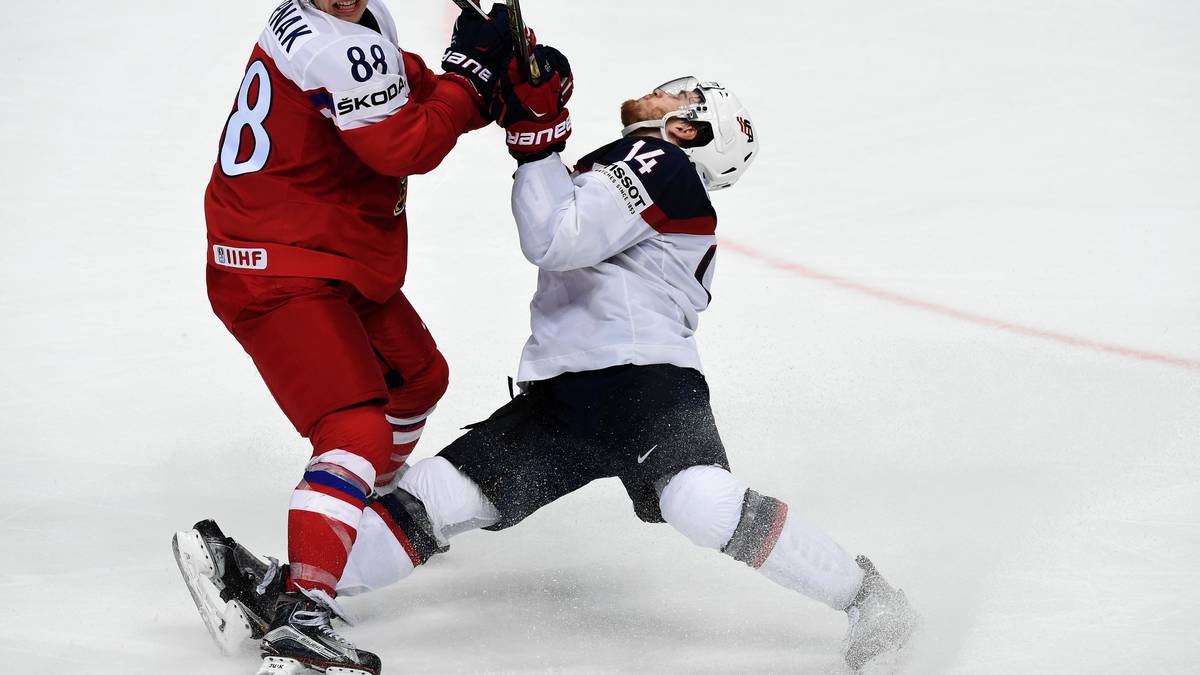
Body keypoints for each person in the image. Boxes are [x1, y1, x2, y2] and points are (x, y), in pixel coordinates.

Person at [180, 46, 917, 674]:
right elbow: (552, 201)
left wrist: (535, 130)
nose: (665, 89)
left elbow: (553, 235)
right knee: (435, 500)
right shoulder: (633, 165)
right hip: (564, 400)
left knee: (701, 501)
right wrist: (529, 114)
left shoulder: (659, 163)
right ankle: (287, 591)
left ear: (689, 126)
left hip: (644, 388)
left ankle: (866, 597)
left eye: (683, 94)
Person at [171, 2, 530, 673]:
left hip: (322, 255)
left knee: (416, 377)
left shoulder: (356, 25)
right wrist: (471, 76)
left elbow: (406, 85)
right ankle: (303, 616)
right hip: (279, 269)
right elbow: (404, 145)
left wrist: (490, 87)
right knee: (355, 430)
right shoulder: (332, 44)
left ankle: (348, 531)